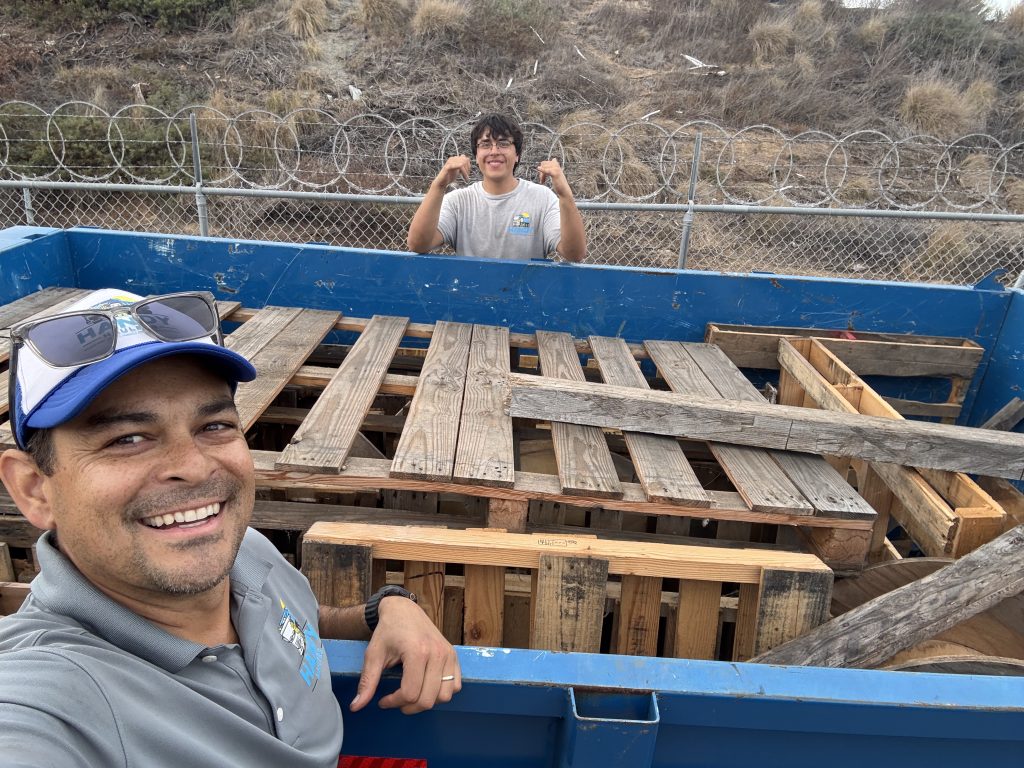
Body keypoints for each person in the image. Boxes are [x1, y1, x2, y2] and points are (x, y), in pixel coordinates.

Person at [0, 289, 460, 767]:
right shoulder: (50, 697)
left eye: (213, 426)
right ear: (34, 488)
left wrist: (385, 609)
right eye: (128, 438)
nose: (194, 468)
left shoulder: (245, 552)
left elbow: (293, 618)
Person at [407, 113, 587, 262]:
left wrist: (565, 196)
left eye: (503, 143)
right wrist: (438, 186)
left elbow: (574, 254)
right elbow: (418, 244)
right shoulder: (459, 201)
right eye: (485, 144)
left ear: (517, 154)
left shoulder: (542, 198)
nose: (494, 151)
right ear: (476, 155)